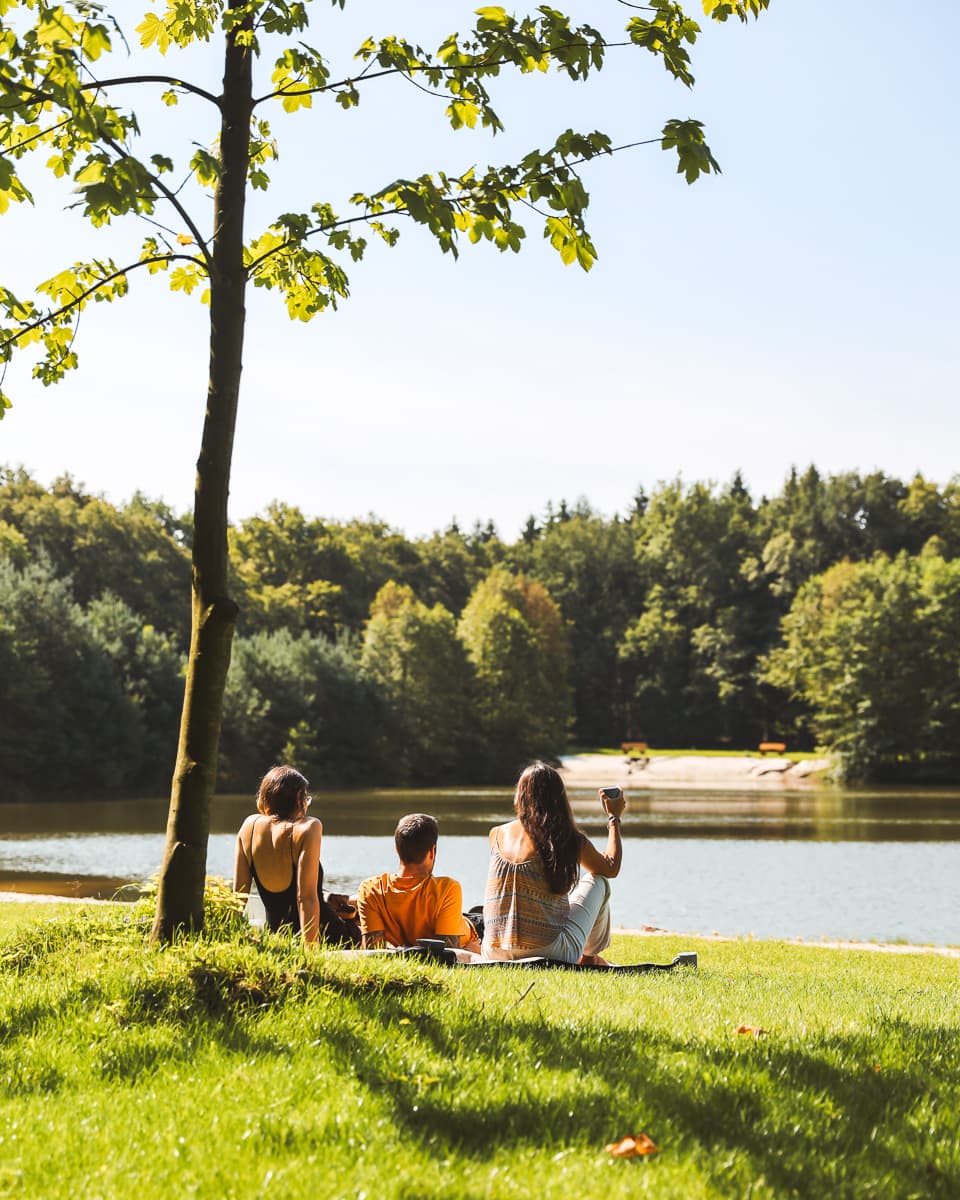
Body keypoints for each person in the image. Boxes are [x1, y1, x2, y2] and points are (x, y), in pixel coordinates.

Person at [482, 761, 625, 964]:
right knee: (599, 881)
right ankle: (589, 958)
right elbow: (611, 867)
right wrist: (614, 818)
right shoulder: (566, 839)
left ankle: (587, 956)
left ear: (519, 795)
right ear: (559, 798)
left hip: (492, 952)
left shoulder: (496, 833)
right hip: (550, 953)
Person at [233, 765, 359, 945]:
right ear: (300, 799)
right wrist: (310, 952)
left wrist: (227, 935)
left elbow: (238, 895)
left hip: (277, 934)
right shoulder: (308, 827)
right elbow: (305, 897)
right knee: (368, 918)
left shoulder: (249, 826)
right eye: (306, 798)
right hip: (324, 933)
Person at [356, 812, 479, 951]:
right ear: (432, 851)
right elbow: (451, 953)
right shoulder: (447, 888)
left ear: (397, 850)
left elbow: (373, 949)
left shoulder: (370, 889)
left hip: (462, 922)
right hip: (474, 931)